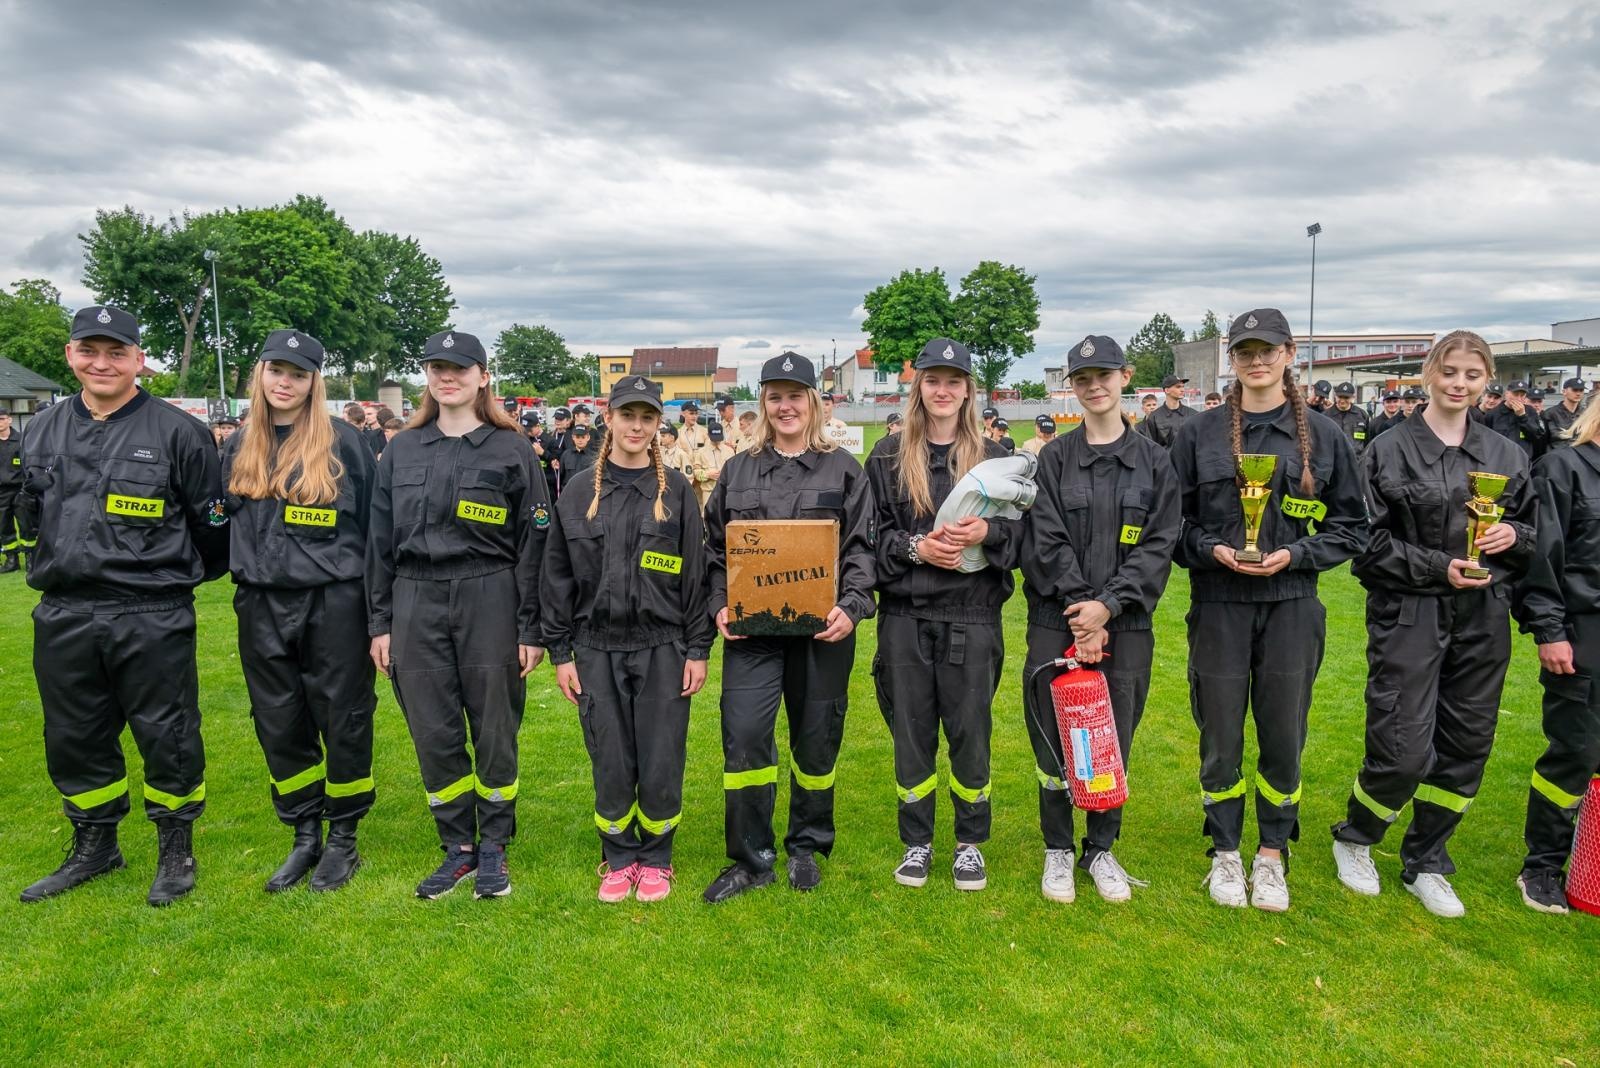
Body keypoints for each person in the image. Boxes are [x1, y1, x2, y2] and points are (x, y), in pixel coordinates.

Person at [17, 305, 229, 907]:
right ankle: (95, 845)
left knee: (168, 732)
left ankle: (175, 848)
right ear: (70, 355)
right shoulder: (43, 428)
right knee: (74, 734)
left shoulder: (178, 432)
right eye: (89, 351)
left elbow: (212, 529)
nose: (102, 363)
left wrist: (164, 581)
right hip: (64, 611)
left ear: (140, 360)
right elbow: (33, 511)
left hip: (150, 612)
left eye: (116, 353)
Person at [1330, 330, 1535, 918]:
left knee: (1467, 743)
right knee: (1403, 746)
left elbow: (1535, 532)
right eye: (1449, 372)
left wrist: (1513, 535)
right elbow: (1365, 546)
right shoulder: (1388, 450)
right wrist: (1438, 567)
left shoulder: (1507, 455)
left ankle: (1426, 858)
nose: (1459, 384)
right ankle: (1358, 837)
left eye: (1472, 374)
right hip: (1409, 612)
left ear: (1487, 379)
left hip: (1484, 616)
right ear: (1428, 375)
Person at [1170, 308, 1367, 912]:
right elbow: (1170, 526)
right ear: (1232, 359)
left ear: (1289, 354)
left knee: (1284, 734)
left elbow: (1352, 528)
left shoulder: (1325, 436)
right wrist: (1213, 549)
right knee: (1220, 734)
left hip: (1292, 605)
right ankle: (1226, 850)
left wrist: (1296, 555)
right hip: (1219, 603)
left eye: (1268, 350)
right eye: (1245, 351)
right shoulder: (1197, 434)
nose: (1257, 361)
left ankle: (1273, 853)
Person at [366, 330, 549, 901]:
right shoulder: (402, 448)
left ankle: (493, 843)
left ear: (483, 376)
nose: (447, 377)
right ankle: (458, 847)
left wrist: (531, 627)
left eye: (460, 368)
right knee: (433, 728)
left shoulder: (511, 448)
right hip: (415, 597)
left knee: (494, 726)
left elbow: (535, 542)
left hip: (489, 593)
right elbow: (378, 542)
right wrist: (380, 623)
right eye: (437, 367)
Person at [701, 351, 875, 902]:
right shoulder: (738, 470)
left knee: (816, 741)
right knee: (746, 737)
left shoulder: (843, 470)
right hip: (753, 635)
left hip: (821, 633)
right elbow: (713, 550)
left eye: (795, 396)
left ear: (813, 402)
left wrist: (852, 605)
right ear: (763, 403)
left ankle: (806, 846)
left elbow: (862, 549)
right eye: (774, 397)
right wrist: (719, 604)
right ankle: (751, 859)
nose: (785, 406)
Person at [1022, 335, 1181, 903]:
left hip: (1126, 625)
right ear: (1072, 386)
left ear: (1125, 377)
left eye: (1104, 376)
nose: (1094, 387)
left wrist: (1107, 607)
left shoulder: (1156, 462)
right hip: (1057, 620)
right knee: (1052, 738)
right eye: (1083, 378)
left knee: (1112, 737)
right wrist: (1083, 612)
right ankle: (1058, 848)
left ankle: (1101, 849)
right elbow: (1045, 540)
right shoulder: (1053, 459)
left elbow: (1159, 546)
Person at [542, 376, 712, 903]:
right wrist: (561, 653)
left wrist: (698, 650)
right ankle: (617, 855)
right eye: (627, 415)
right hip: (596, 647)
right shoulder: (578, 492)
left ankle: (657, 856)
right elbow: (557, 577)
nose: (637, 426)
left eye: (647, 417)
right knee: (610, 755)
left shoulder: (675, 492)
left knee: (661, 755)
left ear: (658, 423)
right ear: (608, 418)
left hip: (663, 646)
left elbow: (695, 576)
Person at [222, 330, 377, 893]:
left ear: (315, 382)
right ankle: (304, 832)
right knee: (278, 720)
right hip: (260, 603)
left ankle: (343, 837)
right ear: (260, 374)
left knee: (344, 716)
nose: (284, 383)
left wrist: (379, 615)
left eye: (298, 374)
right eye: (276, 371)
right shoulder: (239, 443)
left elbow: (374, 531)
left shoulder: (344, 442)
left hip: (333, 602)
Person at [867, 338, 1022, 892]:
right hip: (906, 615)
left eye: (953, 381)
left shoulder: (995, 459)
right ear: (919, 387)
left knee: (970, 733)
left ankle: (968, 844)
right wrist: (917, 549)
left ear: (968, 390)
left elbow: (1025, 538)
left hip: (973, 615)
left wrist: (989, 531)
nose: (943, 390)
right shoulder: (887, 457)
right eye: (933, 380)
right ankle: (917, 842)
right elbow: (867, 538)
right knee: (911, 733)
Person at [1513, 397, 1600, 912]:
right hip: (1582, 631)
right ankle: (1542, 866)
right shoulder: (1564, 467)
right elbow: (1542, 559)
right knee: (1576, 752)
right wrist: (1549, 630)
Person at [1487, 381, 1544, 462]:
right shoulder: (1493, 414)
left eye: (1522, 395)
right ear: (1506, 394)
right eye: (1516, 394)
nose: (1519, 399)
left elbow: (1536, 436)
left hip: (1523, 459)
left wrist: (1522, 416)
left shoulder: (1530, 411)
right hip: (1500, 460)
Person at [691, 419, 738, 511]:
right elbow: (695, 472)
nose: (717, 441)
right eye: (714, 438)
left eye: (718, 438)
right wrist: (707, 475)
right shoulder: (701, 452)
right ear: (708, 435)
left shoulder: (729, 451)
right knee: (708, 516)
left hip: (726, 491)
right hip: (708, 492)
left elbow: (735, 470)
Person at [1143, 374, 1196, 448]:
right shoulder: (1154, 417)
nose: (1182, 390)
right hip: (1164, 455)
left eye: (1183, 386)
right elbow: (1150, 446)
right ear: (1167, 390)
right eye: (1178, 387)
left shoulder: (1193, 414)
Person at [0, 409, 22, 572]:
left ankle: (31, 558)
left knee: (28, 526)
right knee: (4, 526)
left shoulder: (22, 440)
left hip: (21, 489)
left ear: (9, 420)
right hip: (1, 492)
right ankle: (11, 560)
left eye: (1, 418)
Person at [1328, 382, 1370, 456]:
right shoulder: (1326, 416)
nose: (1342, 400)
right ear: (1335, 396)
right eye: (1340, 397)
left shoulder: (1362, 415)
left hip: (1356, 459)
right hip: (1333, 459)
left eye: (1346, 397)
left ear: (1353, 397)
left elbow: (1367, 440)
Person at [1543, 378, 1586, 448]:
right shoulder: (1550, 414)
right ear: (1564, 392)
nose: (1578, 393)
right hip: (1559, 452)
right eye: (1574, 390)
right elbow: (1544, 440)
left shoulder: (1586, 413)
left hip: (1581, 452)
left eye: (1581, 390)